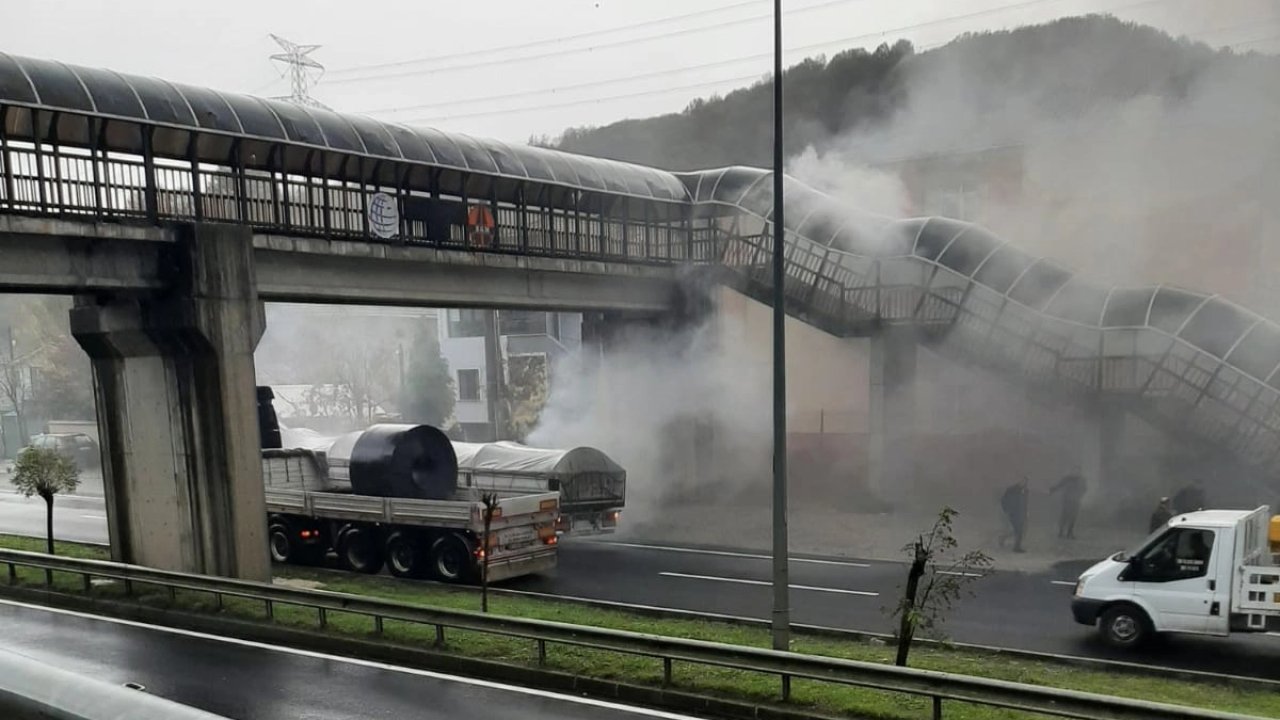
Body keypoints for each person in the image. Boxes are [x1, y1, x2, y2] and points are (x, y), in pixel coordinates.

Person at [1049, 471, 1086, 539]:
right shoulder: (1067, 479)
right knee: (1064, 516)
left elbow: (1084, 488)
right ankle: (1061, 532)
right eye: (1074, 470)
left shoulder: (1081, 480)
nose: (1076, 472)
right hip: (1067, 501)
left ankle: (1069, 532)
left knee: (1073, 517)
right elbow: (1060, 485)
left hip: (1075, 501)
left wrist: (1079, 495)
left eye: (1077, 470)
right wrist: (1053, 489)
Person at [999, 478, 1029, 553]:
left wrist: (1025, 513)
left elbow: (1024, 503)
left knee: (1018, 531)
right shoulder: (1011, 490)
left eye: (1025, 482)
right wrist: (1006, 509)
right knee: (1018, 531)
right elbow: (1004, 500)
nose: (1024, 483)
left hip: (1020, 513)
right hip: (1013, 513)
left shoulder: (1024, 491)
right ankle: (1016, 547)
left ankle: (1003, 539)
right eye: (1022, 481)